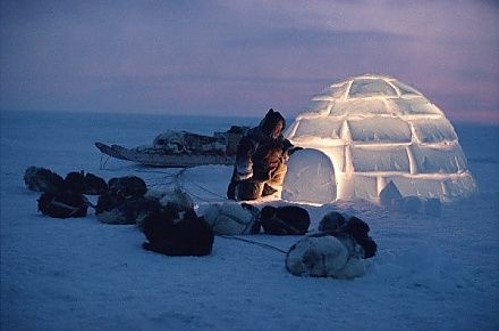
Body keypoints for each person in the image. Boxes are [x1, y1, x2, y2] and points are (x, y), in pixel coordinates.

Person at [227, 108, 299, 201]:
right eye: (277, 129)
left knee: (282, 166)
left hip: (270, 175)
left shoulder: (278, 139)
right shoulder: (254, 137)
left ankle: (269, 187)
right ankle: (241, 191)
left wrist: (297, 151)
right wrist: (245, 175)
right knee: (250, 196)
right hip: (253, 177)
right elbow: (243, 159)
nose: (278, 132)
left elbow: (287, 147)